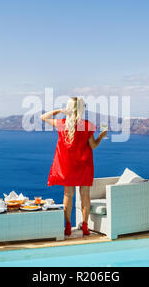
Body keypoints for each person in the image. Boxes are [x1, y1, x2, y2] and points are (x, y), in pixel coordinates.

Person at [41, 97, 107, 236]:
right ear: (82, 109)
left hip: (67, 166)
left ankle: (68, 226)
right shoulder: (87, 125)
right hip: (84, 164)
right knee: (85, 196)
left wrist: (60, 110)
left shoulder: (61, 123)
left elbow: (43, 117)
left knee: (68, 196)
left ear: (69, 108)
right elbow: (93, 146)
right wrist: (101, 136)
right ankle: (85, 226)